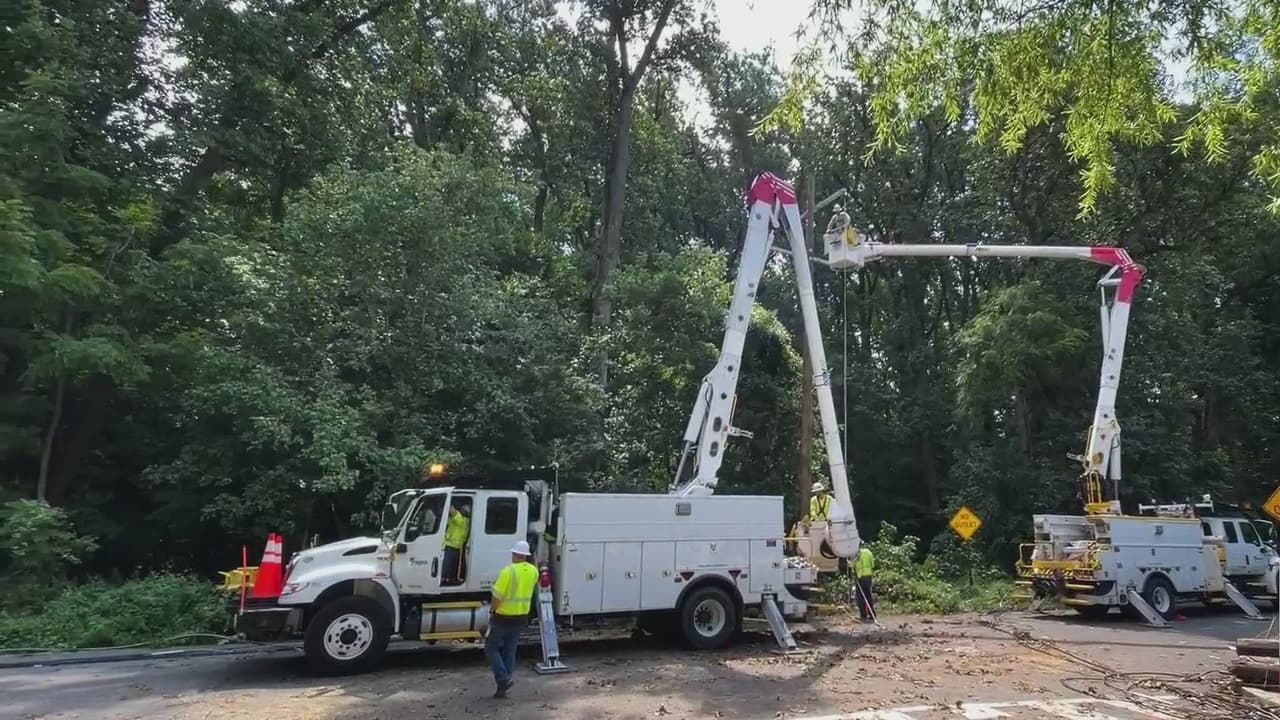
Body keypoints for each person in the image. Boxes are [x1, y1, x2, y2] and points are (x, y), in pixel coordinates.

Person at [486, 540, 538, 699]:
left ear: (515, 554)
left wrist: (492, 610)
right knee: (510, 651)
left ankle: (503, 678)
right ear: (526, 555)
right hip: (521, 617)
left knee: (491, 648)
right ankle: (503, 687)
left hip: (503, 617)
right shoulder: (533, 571)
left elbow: (497, 596)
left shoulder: (508, 571)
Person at [442, 499, 471, 586]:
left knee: (449, 565)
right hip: (455, 546)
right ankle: (448, 579)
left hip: (454, 546)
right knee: (451, 565)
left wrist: (448, 500)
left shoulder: (462, 519)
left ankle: (446, 579)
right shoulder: (464, 519)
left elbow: (452, 511)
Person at [855, 544, 876, 621]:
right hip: (869, 576)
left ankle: (863, 614)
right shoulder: (868, 552)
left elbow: (851, 566)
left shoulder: (856, 554)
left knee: (860, 597)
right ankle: (872, 614)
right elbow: (873, 565)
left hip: (860, 577)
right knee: (868, 595)